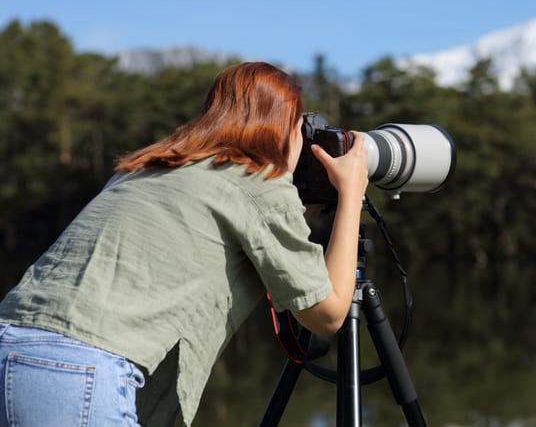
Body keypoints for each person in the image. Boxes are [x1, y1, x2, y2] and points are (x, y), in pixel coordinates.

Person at [0, 62, 368, 426]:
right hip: (75, 369)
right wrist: (352, 193)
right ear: (283, 128)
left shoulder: (147, 166)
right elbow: (327, 314)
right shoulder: (257, 180)